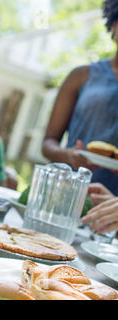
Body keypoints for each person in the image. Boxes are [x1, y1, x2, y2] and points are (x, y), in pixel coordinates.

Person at [41, 0, 118, 195]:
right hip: (66, 195)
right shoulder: (81, 75)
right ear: (114, 25)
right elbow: (48, 144)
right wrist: (69, 155)